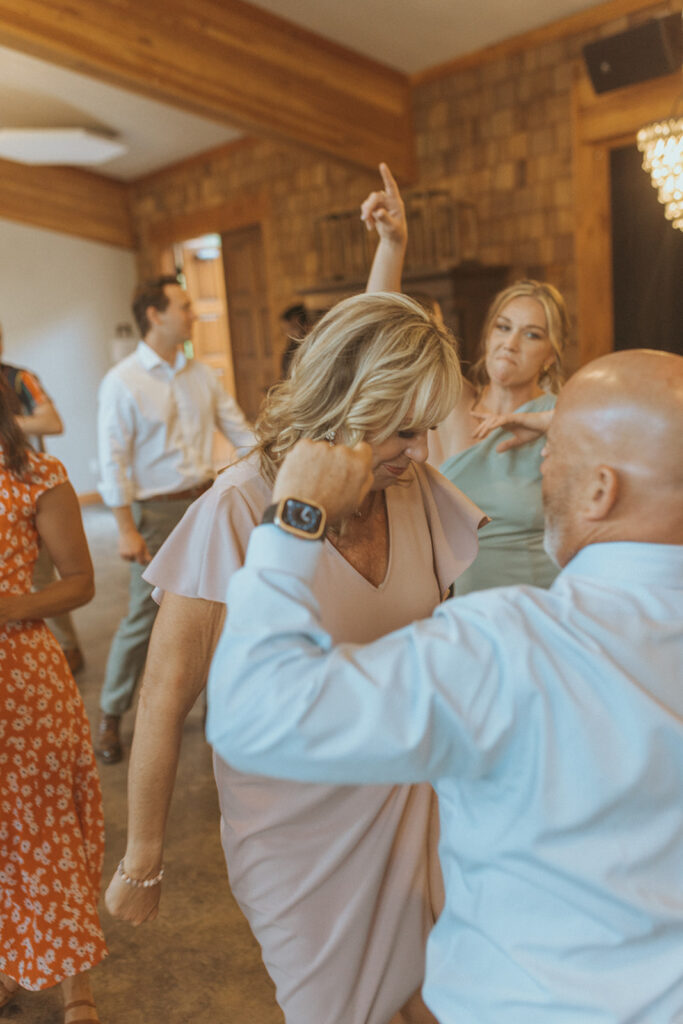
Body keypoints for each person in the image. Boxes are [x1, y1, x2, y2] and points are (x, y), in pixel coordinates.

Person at [207, 347, 683, 1024]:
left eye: (557, 454)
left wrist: (295, 518)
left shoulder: (507, 646)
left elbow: (255, 715)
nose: (544, 466)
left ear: (600, 490)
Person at [105, 291, 485, 1024]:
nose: (423, 451)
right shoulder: (240, 508)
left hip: (413, 804)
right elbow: (165, 692)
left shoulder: (415, 492)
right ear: (348, 402)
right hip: (294, 830)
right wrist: (142, 860)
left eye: (428, 428)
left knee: (429, 997)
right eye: (404, 430)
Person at [361, 165, 567, 594]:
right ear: (488, 334)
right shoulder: (455, 404)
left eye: (532, 334)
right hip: (460, 612)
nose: (511, 343)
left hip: (536, 607)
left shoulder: (565, 414)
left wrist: (549, 424)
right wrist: (392, 244)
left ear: (550, 355)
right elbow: (383, 332)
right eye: (503, 327)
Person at [96, 274, 254, 764]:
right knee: (144, 617)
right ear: (155, 315)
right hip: (156, 512)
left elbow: (241, 431)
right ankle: (111, 714)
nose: (193, 313)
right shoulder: (123, 380)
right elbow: (111, 460)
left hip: (207, 500)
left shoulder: (201, 375)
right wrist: (125, 526)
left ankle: (216, 714)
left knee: (223, 605)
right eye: (184, 306)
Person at [0, 388, 106, 1023]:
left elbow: (81, 580)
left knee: (45, 826)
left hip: (21, 679)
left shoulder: (36, 473)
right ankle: (9, 964)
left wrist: (7, 606)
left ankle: (77, 988)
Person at [0, 322, 85, 672]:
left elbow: (52, 422)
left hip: (27, 490)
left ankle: (67, 645)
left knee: (41, 577)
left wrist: (6, 421)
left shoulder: (20, 378)